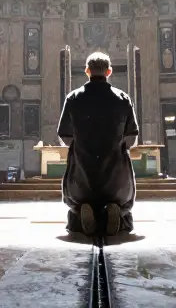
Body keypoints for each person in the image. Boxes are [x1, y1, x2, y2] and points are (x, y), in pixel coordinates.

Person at [57, 51, 139, 237]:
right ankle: (116, 209)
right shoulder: (123, 98)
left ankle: (82, 209)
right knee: (124, 195)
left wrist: (79, 147)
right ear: (109, 72)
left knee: (73, 197)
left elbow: (64, 133)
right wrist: (118, 148)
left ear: (87, 71)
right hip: (115, 179)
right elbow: (132, 135)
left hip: (83, 177)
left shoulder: (73, 98)